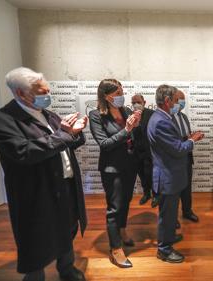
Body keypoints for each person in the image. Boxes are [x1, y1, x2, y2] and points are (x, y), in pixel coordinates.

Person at [0, 67, 88, 281]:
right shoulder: (0, 120)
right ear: (20, 93)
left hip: (65, 186)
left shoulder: (48, 115)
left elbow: (65, 142)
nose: (47, 96)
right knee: (35, 237)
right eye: (41, 92)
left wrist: (76, 133)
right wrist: (65, 134)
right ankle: (34, 276)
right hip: (35, 192)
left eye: (47, 91)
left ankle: (66, 268)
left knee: (67, 227)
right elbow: (24, 152)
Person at [147, 85, 204, 263]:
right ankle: (164, 250)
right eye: (175, 100)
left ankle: (168, 238)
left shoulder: (161, 117)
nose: (177, 103)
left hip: (171, 175)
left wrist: (187, 139)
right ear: (167, 101)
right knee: (167, 216)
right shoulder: (161, 121)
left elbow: (172, 145)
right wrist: (192, 140)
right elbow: (179, 149)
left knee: (171, 215)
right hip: (167, 177)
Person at [88, 79, 141, 268]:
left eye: (122, 92)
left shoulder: (125, 110)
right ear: (106, 95)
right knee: (114, 208)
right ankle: (115, 249)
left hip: (129, 166)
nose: (121, 96)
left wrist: (136, 127)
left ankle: (122, 230)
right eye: (117, 93)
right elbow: (105, 144)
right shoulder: (96, 115)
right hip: (112, 169)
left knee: (125, 201)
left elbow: (132, 138)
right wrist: (127, 130)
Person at [172, 90, 198, 222]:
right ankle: (173, 218)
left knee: (187, 187)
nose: (181, 103)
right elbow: (171, 140)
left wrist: (192, 137)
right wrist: (189, 139)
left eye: (183, 100)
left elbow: (186, 136)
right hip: (174, 160)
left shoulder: (184, 117)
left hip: (187, 157)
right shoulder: (167, 118)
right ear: (171, 100)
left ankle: (187, 211)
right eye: (179, 100)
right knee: (175, 189)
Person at [131, 94, 158, 208]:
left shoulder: (152, 114)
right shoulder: (130, 115)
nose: (136, 104)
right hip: (137, 152)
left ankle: (156, 195)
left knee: (151, 175)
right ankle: (146, 194)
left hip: (150, 152)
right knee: (142, 175)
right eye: (133, 102)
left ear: (144, 102)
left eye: (138, 102)